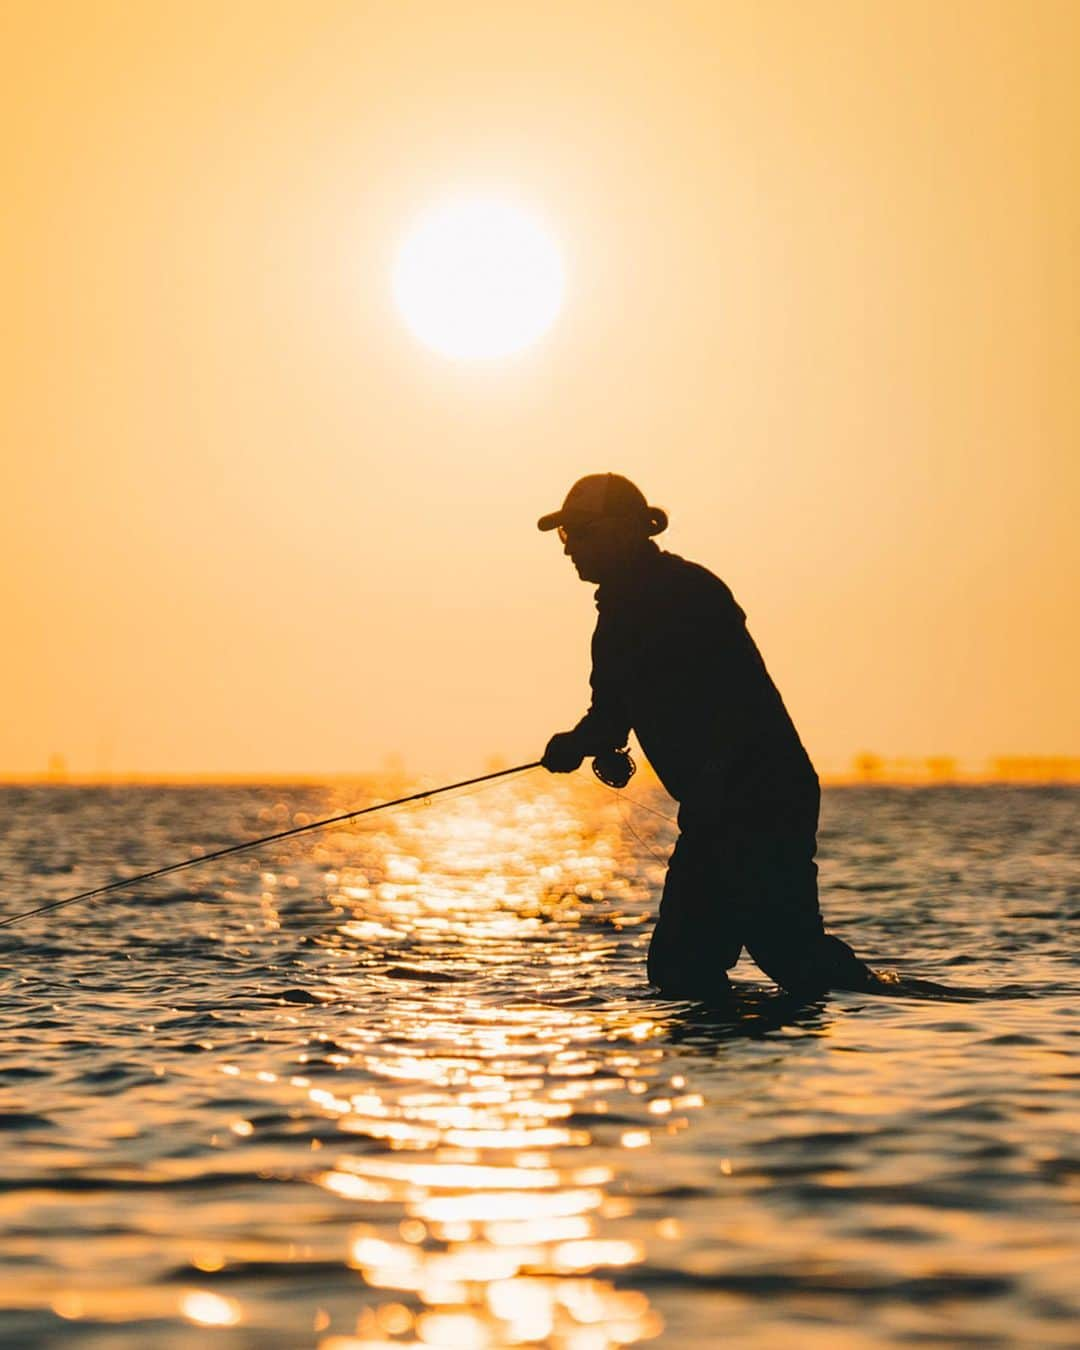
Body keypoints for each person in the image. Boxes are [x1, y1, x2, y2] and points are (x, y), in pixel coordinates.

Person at [538, 473, 880, 1000]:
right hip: (718, 807)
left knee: (781, 956)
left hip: (756, 798)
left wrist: (582, 741)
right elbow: (611, 718)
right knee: (686, 968)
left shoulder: (686, 594)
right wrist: (584, 742)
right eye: (566, 537)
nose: (570, 550)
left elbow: (717, 699)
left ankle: (876, 1012)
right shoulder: (618, 618)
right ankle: (743, 1064)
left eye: (580, 533)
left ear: (627, 530)